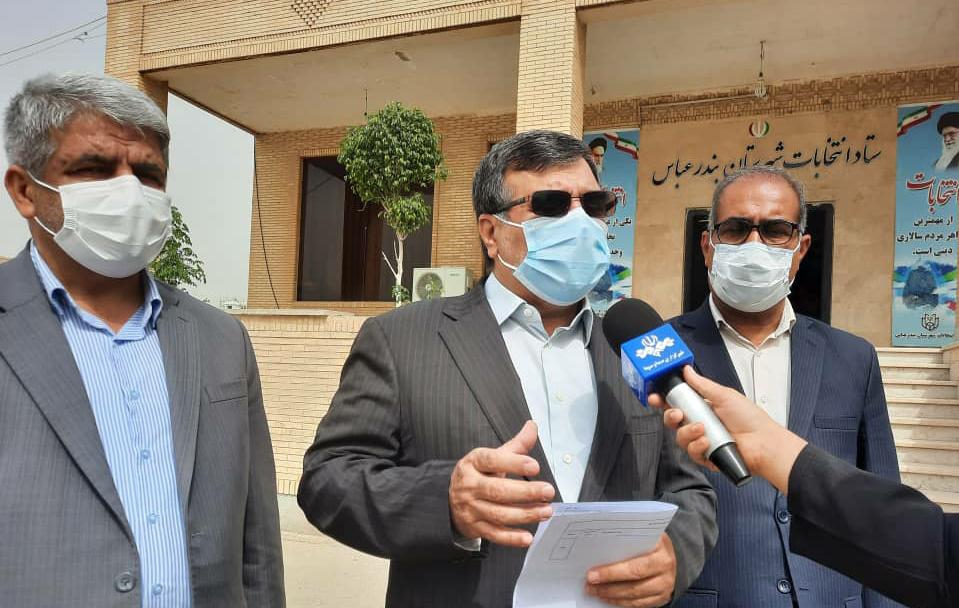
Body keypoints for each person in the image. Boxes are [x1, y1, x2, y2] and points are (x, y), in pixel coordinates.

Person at [298, 130, 717, 607]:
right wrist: (444, 502)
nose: (580, 222)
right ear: (491, 232)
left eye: (594, 205)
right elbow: (328, 479)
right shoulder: (402, 340)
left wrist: (675, 553)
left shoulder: (639, 344)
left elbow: (689, 487)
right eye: (551, 205)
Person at [0, 73, 284, 606]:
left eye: (148, 174)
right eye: (94, 169)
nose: (128, 191)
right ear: (24, 191)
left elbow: (258, 549)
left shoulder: (222, 340)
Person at [669, 165, 901, 607]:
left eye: (776, 230)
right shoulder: (658, 354)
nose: (754, 245)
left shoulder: (853, 358)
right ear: (708, 246)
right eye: (736, 229)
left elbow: (883, 507)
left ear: (800, 249)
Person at [649, 366, 958, 608]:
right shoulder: (662, 350)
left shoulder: (855, 355)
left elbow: (936, 556)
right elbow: (938, 552)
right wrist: (772, 449)